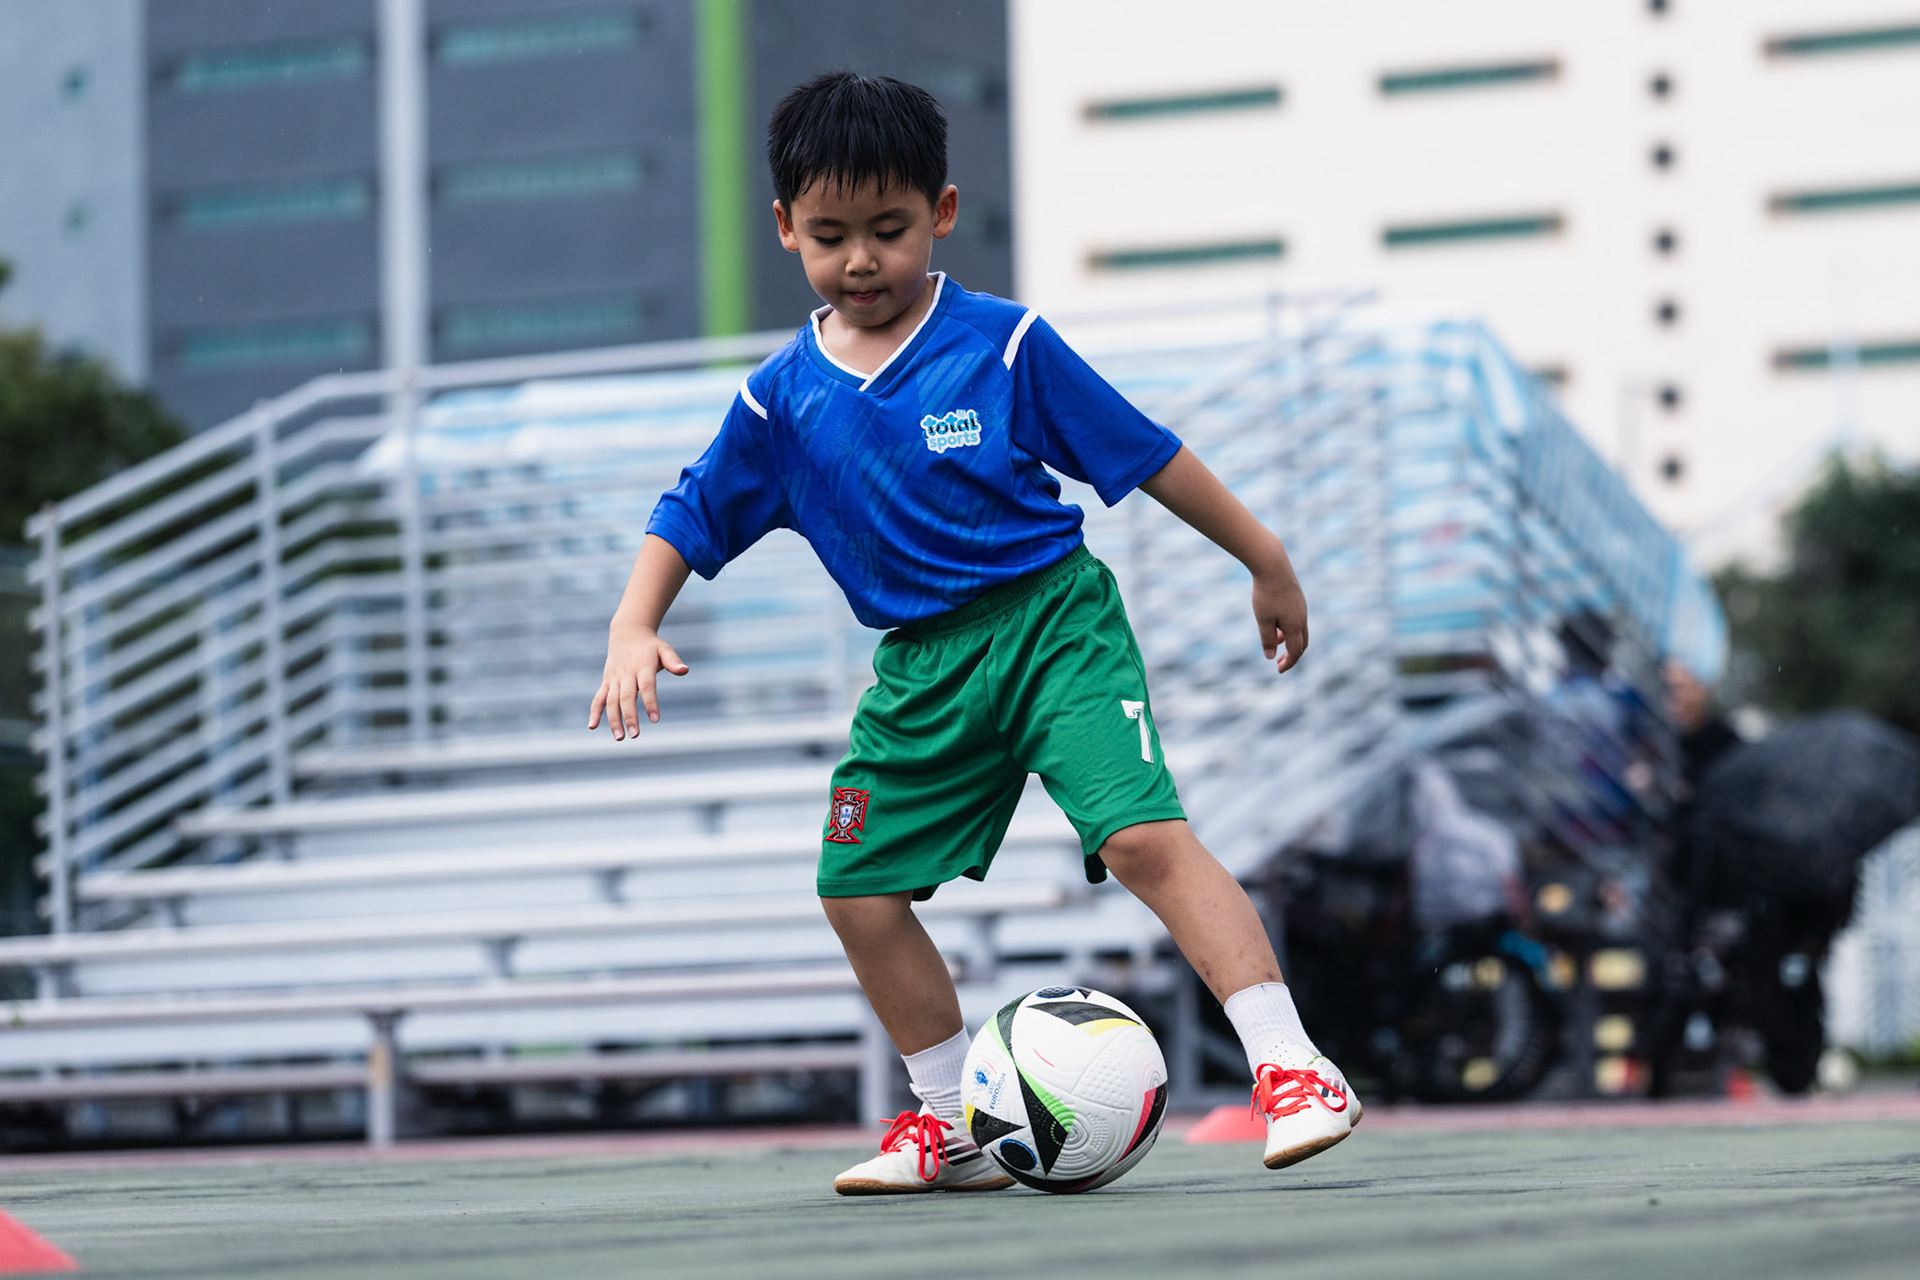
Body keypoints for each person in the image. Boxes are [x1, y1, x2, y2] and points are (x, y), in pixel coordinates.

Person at [588, 72, 1355, 1194]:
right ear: (785, 228)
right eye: (831, 235)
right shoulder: (777, 400)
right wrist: (632, 621)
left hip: (1051, 622)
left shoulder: (1004, 344)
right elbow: (690, 512)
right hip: (920, 667)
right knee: (854, 888)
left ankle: (1293, 1066)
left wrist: (1265, 555)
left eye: (890, 230)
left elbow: (1146, 454)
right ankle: (947, 1120)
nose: (861, 260)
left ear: (941, 213)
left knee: (1143, 838)